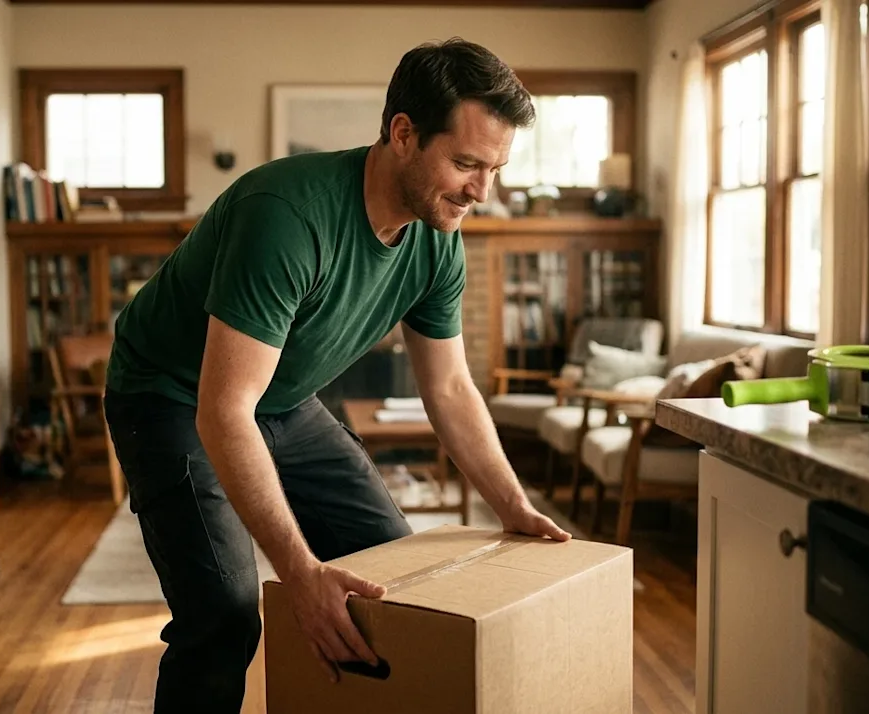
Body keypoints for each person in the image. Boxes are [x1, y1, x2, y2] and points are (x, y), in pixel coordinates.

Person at [102, 37, 571, 714]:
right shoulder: (286, 216)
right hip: (169, 394)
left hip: (282, 398)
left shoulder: (438, 241)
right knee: (224, 616)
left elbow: (448, 388)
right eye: (467, 163)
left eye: (494, 169)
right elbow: (224, 411)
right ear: (403, 134)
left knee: (394, 579)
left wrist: (514, 506)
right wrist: (301, 574)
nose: (481, 192)